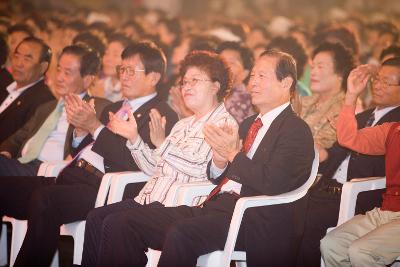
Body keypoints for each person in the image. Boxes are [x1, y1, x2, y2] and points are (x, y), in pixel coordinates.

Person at [84, 50, 314, 267]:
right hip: (215, 205)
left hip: (251, 217)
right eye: (252, 75)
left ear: (286, 83)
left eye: (261, 76)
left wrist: (232, 154)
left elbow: (274, 182)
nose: (252, 82)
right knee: (122, 223)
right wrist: (219, 161)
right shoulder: (249, 123)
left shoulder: (295, 130)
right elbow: (219, 176)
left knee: (180, 232)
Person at [0, 42, 177, 267]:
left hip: (104, 189)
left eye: (132, 71)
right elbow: (82, 150)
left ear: (153, 77)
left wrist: (95, 127)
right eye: (122, 69)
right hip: (74, 175)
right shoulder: (113, 107)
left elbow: (133, 161)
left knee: (45, 200)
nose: (124, 76)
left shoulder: (160, 114)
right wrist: (81, 132)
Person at [81, 50, 238, 266]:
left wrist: (163, 144)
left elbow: (202, 169)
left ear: (216, 86)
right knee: (96, 218)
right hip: (149, 199)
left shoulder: (223, 124)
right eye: (184, 82)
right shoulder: (184, 124)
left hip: (178, 206)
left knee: (118, 224)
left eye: (195, 81)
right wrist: (134, 138)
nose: (187, 87)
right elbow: (153, 167)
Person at [296, 57, 400, 267]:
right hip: (385, 210)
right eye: (376, 79)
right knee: (331, 244)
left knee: (360, 251)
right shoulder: (392, 130)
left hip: (364, 197)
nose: (378, 85)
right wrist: (351, 95)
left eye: (387, 82)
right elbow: (348, 139)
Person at [0, 45, 108, 177]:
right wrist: (6, 151)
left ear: (87, 80)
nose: (59, 78)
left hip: (49, 172)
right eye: (58, 70)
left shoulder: (98, 108)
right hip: (22, 164)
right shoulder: (46, 107)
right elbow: (17, 139)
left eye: (67, 73)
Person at [0, 37, 55, 144]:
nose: (18, 63)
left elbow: (22, 143)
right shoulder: (5, 85)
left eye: (27, 59)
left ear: (43, 67)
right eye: (16, 56)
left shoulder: (44, 101)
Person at [301, 42, 355, 150]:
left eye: (320, 67)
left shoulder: (344, 110)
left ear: (340, 74)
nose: (313, 72)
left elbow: (322, 148)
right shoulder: (303, 101)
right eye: (312, 67)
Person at [217, 41, 255, 123]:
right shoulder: (216, 93)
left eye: (231, 63)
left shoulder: (243, 100)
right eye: (221, 62)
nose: (225, 66)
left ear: (245, 73)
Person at [90, 33, 131, 102]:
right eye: (106, 53)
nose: (108, 59)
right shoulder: (96, 86)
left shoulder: (132, 91)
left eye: (115, 55)